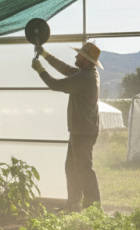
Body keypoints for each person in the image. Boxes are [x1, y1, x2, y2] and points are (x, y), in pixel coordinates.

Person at [31, 41, 102, 210]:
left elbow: (56, 85)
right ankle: (74, 205)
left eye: (80, 55)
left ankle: (93, 208)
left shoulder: (85, 77)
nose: (76, 56)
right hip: (81, 130)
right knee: (72, 168)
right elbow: (65, 69)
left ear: (87, 60)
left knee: (84, 170)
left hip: (83, 131)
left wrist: (40, 70)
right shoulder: (87, 72)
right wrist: (45, 54)